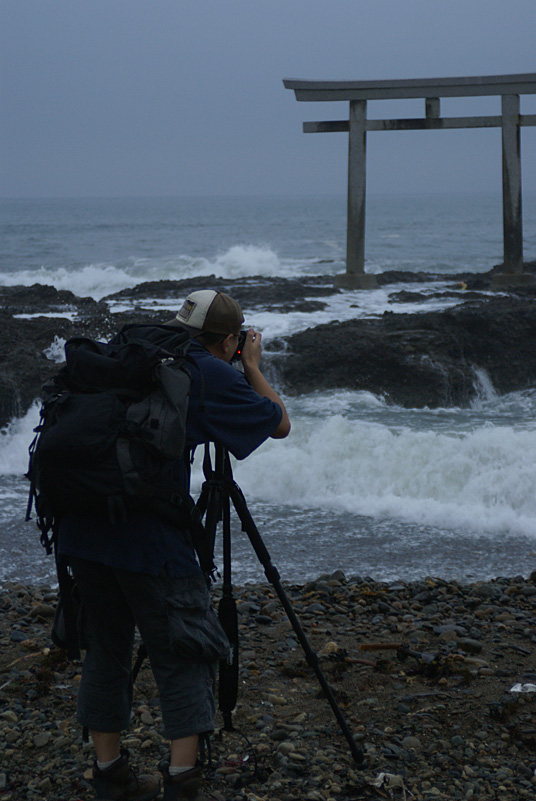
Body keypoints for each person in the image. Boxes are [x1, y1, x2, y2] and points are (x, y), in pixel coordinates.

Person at [56, 289, 291, 801]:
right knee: (186, 649)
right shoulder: (210, 372)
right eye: (236, 342)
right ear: (228, 339)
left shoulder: (135, 351)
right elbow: (279, 423)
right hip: (147, 538)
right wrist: (250, 366)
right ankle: (183, 782)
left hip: (80, 525)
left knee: (106, 646)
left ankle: (110, 774)